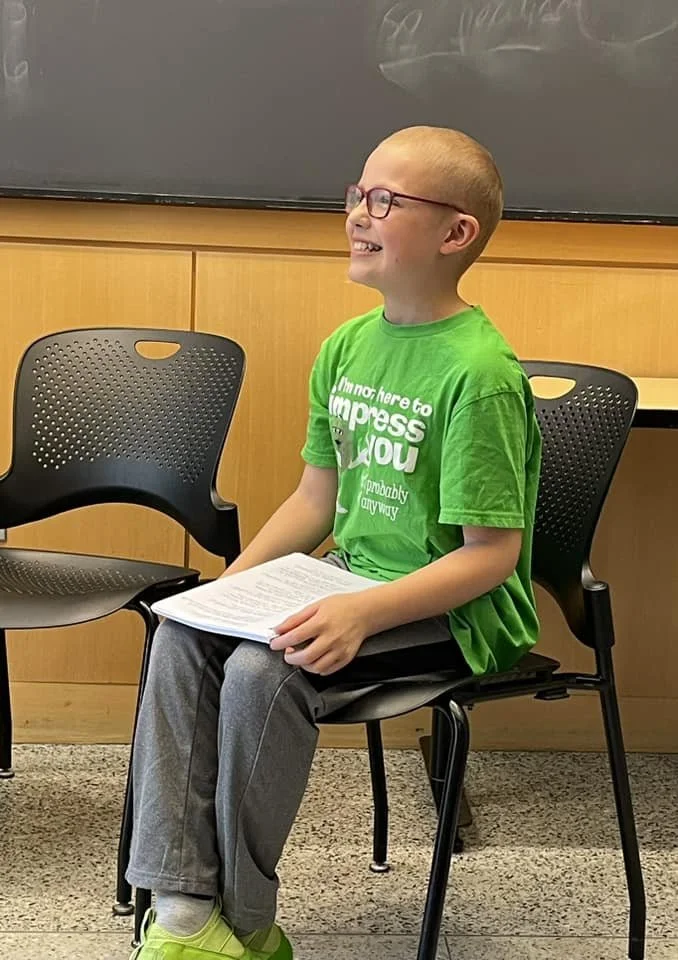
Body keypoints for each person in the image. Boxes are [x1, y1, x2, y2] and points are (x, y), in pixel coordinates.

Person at [127, 125, 541, 959]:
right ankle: (178, 907)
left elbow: (490, 556)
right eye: (357, 192)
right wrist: (227, 592)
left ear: (455, 233)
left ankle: (243, 925)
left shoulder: (480, 374)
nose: (357, 212)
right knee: (181, 632)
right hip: (350, 576)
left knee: (261, 670)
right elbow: (316, 499)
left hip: (454, 611)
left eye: (386, 200)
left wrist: (361, 612)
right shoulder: (348, 347)